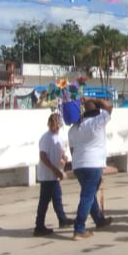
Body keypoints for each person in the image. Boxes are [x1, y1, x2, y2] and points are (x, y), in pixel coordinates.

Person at [67, 97, 115, 240]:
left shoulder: (73, 129)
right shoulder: (98, 121)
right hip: (93, 164)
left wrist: (77, 162)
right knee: (87, 196)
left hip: (78, 165)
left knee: (90, 193)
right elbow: (109, 106)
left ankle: (99, 220)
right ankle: (79, 228)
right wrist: (92, 98)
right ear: (95, 111)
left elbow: (72, 149)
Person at [33, 113, 72, 236]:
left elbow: (61, 153)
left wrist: (63, 159)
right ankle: (40, 225)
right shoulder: (46, 138)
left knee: (56, 198)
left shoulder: (59, 138)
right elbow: (43, 156)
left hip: (54, 174)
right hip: (47, 174)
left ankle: (61, 219)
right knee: (47, 200)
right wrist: (54, 169)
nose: (56, 127)